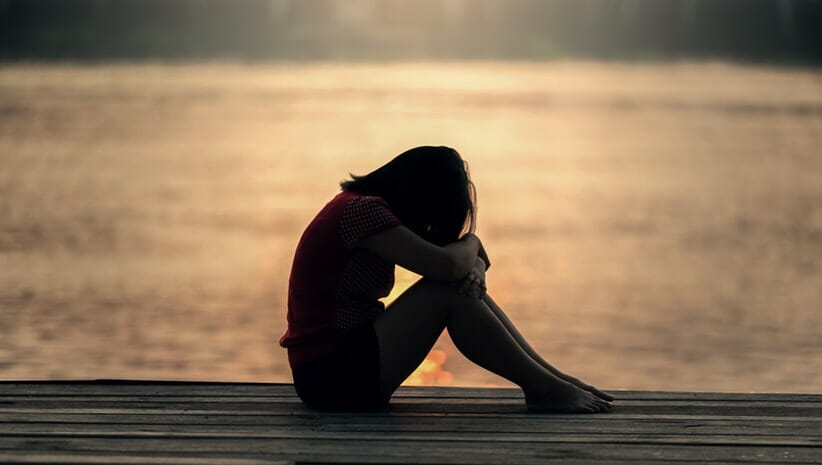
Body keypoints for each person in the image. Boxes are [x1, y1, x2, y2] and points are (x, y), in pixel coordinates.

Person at [279, 146, 613, 413]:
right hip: (331, 376)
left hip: (338, 368)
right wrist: (474, 243)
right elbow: (448, 266)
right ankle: (544, 388)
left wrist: (475, 264)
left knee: (452, 286)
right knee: (445, 292)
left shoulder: (363, 209)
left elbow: (458, 265)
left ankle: (549, 379)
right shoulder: (362, 212)